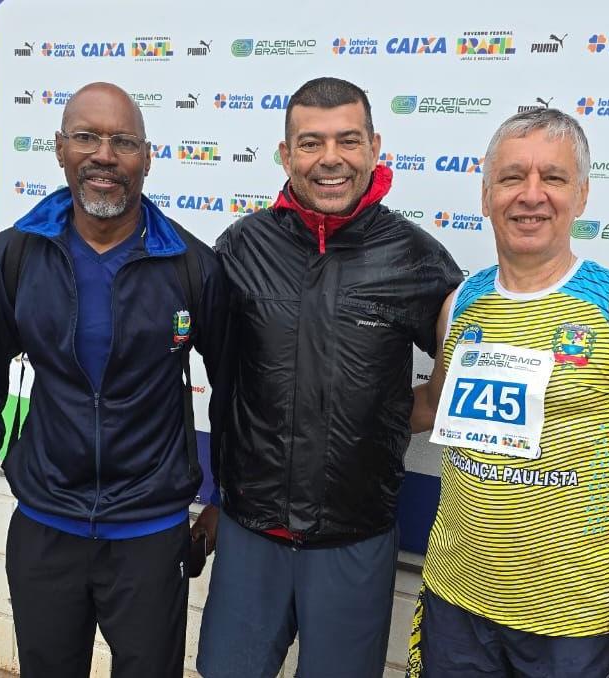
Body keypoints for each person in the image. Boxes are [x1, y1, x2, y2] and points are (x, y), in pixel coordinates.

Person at [0, 82, 228, 678]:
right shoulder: (13, 257)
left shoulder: (193, 268)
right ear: (59, 149)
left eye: (123, 142)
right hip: (46, 525)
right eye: (86, 137)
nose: (104, 155)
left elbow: (234, 395)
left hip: (151, 533)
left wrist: (226, 499)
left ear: (147, 158)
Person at [406, 108, 609, 678]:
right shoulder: (462, 302)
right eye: (512, 178)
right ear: (487, 193)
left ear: (581, 195)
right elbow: (432, 407)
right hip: (455, 600)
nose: (531, 196)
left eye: (553, 179)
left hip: (573, 623)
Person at [192, 77, 463, 678]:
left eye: (348, 140)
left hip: (353, 539)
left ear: (374, 147)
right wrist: (214, 496)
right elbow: (218, 374)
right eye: (311, 143)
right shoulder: (242, 247)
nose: (331, 158)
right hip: (250, 532)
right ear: (287, 155)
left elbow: (460, 381)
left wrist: (397, 415)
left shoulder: (416, 258)